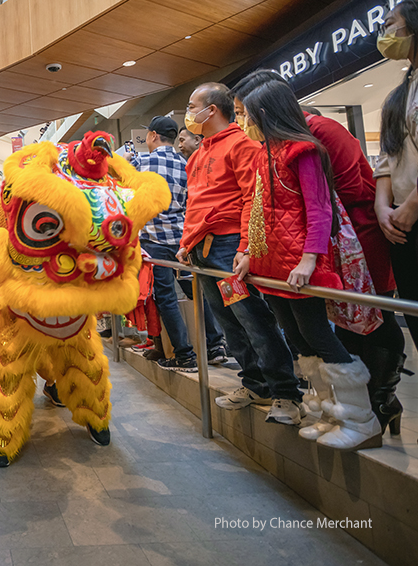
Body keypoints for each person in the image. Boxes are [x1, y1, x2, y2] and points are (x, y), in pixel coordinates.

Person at [233, 69, 406, 440]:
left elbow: (330, 201)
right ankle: (336, 409)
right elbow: (260, 206)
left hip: (347, 242)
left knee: (364, 323)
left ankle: (372, 407)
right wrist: (250, 249)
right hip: (291, 257)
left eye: (244, 113)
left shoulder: (314, 140)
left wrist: (312, 254)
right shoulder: (266, 151)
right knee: (307, 334)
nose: (242, 122)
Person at [178, 83, 302, 425]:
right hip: (202, 249)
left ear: (212, 110)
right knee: (229, 321)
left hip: (227, 246)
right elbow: (195, 202)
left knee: (252, 318)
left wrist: (247, 247)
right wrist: (186, 244)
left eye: (192, 105)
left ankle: (286, 393)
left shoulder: (240, 145)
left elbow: (253, 199)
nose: (189, 112)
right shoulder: (200, 152)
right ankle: (256, 383)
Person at [133, 116, 226, 371]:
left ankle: (184, 355)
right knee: (195, 292)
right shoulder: (186, 163)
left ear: (152, 135)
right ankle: (215, 345)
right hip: (184, 243)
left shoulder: (140, 162)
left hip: (154, 242)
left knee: (165, 298)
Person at [373, 0, 418, 350]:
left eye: (390, 24)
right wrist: (382, 207)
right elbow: (387, 158)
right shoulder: (398, 95)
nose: (386, 33)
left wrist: (411, 206)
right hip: (402, 224)